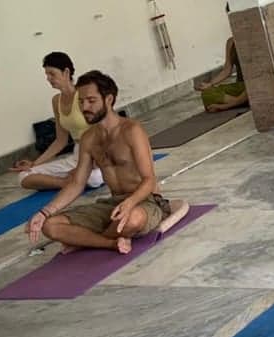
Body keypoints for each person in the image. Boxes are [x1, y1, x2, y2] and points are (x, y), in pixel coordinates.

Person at [28, 71, 187, 254]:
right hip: (112, 204)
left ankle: (86, 239)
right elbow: (77, 183)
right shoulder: (89, 138)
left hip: (145, 201)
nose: (84, 107)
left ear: (109, 100)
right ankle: (109, 243)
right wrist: (44, 212)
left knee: (132, 219)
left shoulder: (131, 130)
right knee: (51, 226)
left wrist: (129, 204)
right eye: (80, 101)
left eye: (91, 101)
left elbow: (149, 179)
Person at [11, 51, 105, 191]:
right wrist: (34, 164)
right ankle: (68, 183)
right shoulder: (56, 101)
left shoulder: (83, 96)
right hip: (77, 155)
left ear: (66, 72)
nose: (48, 78)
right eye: (46, 75)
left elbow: (103, 130)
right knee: (24, 176)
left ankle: (76, 179)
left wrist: (95, 163)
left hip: (98, 154)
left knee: (94, 178)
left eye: (52, 74)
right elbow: (60, 141)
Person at [197, 37, 248, 112]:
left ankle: (233, 103)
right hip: (240, 86)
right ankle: (243, 101)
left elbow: (259, 80)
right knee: (206, 93)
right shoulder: (231, 42)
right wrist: (210, 84)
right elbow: (227, 70)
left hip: (254, 86)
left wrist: (224, 106)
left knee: (256, 86)